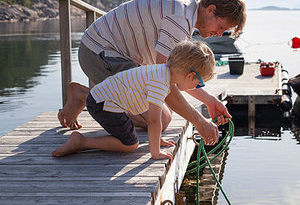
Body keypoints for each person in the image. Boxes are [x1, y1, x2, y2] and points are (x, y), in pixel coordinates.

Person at [58, 0, 246, 145]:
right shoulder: (179, 21)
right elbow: (166, 78)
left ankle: (92, 94)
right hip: (99, 54)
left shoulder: (184, 11)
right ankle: (85, 96)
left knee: (167, 109)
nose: (220, 34)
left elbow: (175, 76)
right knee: (162, 119)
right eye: (221, 27)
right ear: (210, 10)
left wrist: (209, 100)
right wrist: (199, 121)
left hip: (109, 53)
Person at [52, 40, 215, 158]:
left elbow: (152, 117)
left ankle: (82, 136)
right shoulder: (161, 83)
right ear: (190, 76)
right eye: (199, 84)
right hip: (104, 105)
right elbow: (153, 121)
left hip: (103, 99)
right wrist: (156, 152)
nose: (196, 88)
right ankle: (81, 142)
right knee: (130, 145)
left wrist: (157, 138)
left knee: (130, 137)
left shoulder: (160, 72)